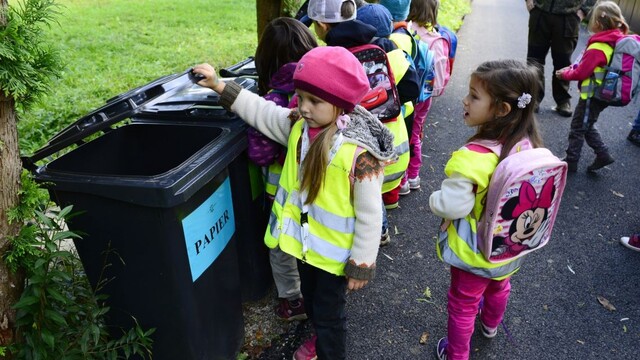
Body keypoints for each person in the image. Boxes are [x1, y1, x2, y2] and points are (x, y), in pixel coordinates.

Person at [193, 46, 396, 360]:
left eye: (314, 101)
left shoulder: (360, 155)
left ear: (341, 105)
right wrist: (221, 85)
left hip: (336, 259)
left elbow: (370, 214)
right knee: (314, 303)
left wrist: (362, 264)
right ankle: (319, 339)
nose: (304, 107)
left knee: (330, 318)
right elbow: (262, 112)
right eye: (300, 97)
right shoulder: (300, 128)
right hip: (306, 248)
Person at [429, 59, 543, 360]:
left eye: (474, 96)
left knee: (463, 304)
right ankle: (491, 324)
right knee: (499, 285)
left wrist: (434, 200)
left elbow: (453, 205)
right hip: (510, 245)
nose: (465, 100)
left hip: (474, 250)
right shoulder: (526, 145)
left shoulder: (473, 158)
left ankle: (456, 355)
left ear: (502, 109)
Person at [308, 0, 419, 247]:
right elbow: (413, 88)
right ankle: (378, 232)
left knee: (360, 196)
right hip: (394, 145)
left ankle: (369, 239)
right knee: (372, 195)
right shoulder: (386, 47)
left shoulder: (328, 58)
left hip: (354, 149)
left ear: (320, 25)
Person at [251, 17, 318, 322]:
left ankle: (293, 301)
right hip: (315, 188)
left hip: (280, 191)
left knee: (280, 246)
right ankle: (314, 288)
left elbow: (261, 155)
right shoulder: (318, 95)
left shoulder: (274, 100)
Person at [555, 1, 629, 173]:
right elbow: (586, 67)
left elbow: (582, 73)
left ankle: (571, 161)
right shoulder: (614, 41)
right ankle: (603, 154)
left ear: (597, 23)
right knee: (586, 123)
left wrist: (564, 75)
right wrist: (572, 69)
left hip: (592, 94)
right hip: (603, 92)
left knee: (578, 127)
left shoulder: (598, 46)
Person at [398, 0, 447, 195]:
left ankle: (401, 179)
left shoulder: (408, 34)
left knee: (403, 132)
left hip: (409, 96)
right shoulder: (436, 37)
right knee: (416, 134)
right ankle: (414, 175)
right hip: (426, 96)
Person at [525, 0, 595, 117]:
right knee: (534, 60)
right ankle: (534, 98)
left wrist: (583, 10)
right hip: (540, 13)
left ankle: (562, 101)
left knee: (563, 62)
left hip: (568, 18)